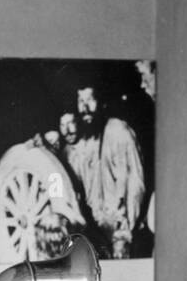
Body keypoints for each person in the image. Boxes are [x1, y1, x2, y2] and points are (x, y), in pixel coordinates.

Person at [61, 86, 147, 259]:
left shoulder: (118, 131)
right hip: (97, 232)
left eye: (90, 100)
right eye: (81, 101)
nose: (85, 108)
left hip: (120, 233)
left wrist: (124, 231)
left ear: (101, 102)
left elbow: (136, 183)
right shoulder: (85, 141)